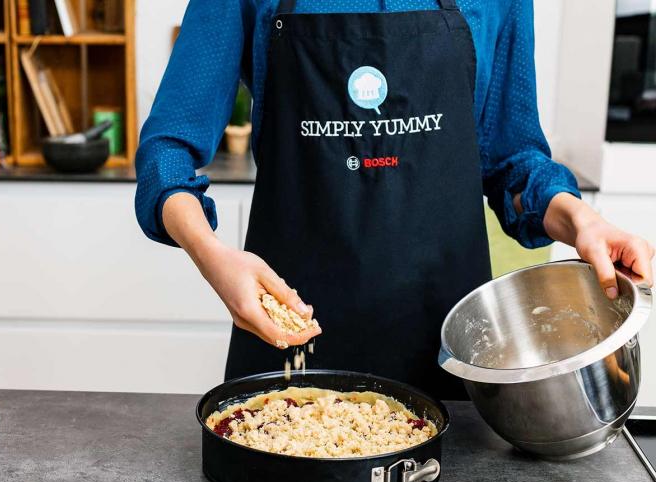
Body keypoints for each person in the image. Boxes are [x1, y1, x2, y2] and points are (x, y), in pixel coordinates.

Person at [135, 0, 655, 399]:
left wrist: (581, 219)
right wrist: (212, 255)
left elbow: (512, 160)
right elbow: (167, 152)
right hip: (290, 341)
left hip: (454, 353)